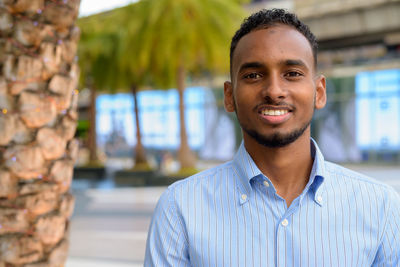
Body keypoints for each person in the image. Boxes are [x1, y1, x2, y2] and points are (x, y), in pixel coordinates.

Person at [144, 9, 400, 266]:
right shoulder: (180, 208)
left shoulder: (381, 207)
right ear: (229, 96)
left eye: (292, 73)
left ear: (319, 92)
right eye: (253, 75)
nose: (274, 91)